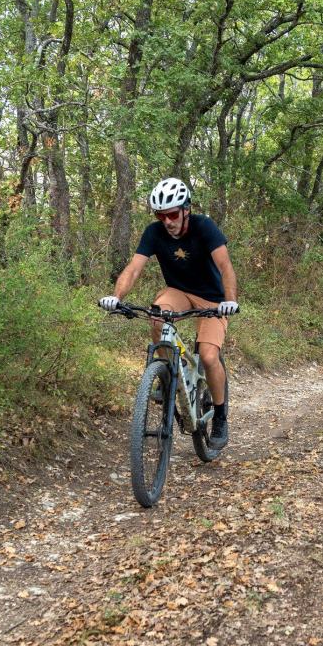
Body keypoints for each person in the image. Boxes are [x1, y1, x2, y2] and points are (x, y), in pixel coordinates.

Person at [99, 177, 238, 450]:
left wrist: (229, 300)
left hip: (212, 298)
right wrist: (116, 298)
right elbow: (134, 268)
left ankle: (220, 416)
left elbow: (225, 267)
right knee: (157, 314)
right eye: (160, 215)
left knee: (209, 357)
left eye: (172, 214)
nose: (167, 221)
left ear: (186, 209)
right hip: (178, 292)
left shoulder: (204, 227)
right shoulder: (154, 232)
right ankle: (169, 370)